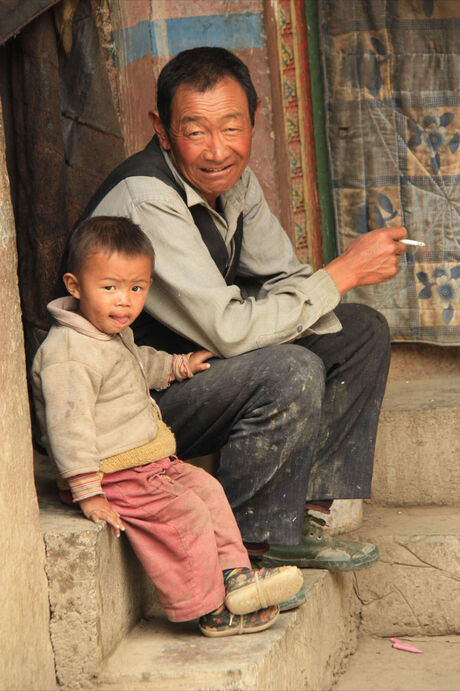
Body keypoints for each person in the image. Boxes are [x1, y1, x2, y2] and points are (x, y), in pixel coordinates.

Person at [60, 47, 409, 571]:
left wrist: (319, 290)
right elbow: (228, 330)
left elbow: (285, 278)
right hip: (137, 402)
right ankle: (247, 547)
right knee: (290, 368)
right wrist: (342, 273)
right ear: (161, 127)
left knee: (358, 329)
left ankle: (304, 519)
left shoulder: (234, 183)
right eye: (195, 131)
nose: (217, 150)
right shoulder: (147, 199)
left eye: (231, 127)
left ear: (255, 119)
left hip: (198, 370)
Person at [33, 216, 304, 637]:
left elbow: (139, 362)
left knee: (209, 492)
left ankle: (236, 577)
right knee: (185, 515)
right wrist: (87, 491)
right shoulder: (68, 352)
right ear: (74, 285)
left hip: (148, 463)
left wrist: (177, 366)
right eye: (110, 288)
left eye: (137, 288)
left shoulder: (108, 332)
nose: (124, 301)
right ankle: (211, 610)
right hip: (112, 473)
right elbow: (69, 426)